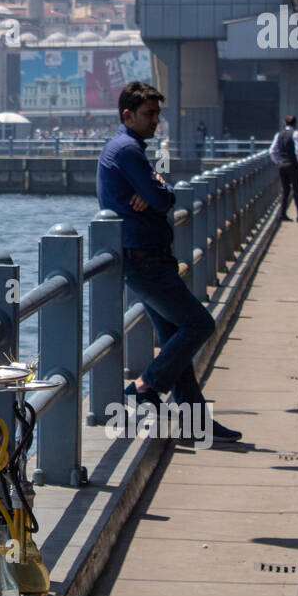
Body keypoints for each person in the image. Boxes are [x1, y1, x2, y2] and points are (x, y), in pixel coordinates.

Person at [96, 81, 242, 443]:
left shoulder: (127, 149)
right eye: (149, 114)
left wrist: (158, 187)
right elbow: (162, 201)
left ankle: (196, 423)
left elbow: (161, 195)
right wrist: (158, 189)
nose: (155, 121)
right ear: (127, 115)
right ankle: (146, 386)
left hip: (147, 257)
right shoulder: (127, 150)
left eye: (157, 114)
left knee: (177, 337)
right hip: (145, 260)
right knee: (198, 325)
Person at [270, 115, 298, 221]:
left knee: (285, 190)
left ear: (285, 123)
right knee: (296, 190)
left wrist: (277, 161)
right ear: (295, 124)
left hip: (282, 165)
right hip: (293, 165)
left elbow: (272, 151)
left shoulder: (279, 134)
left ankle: (282, 214)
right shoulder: (296, 134)